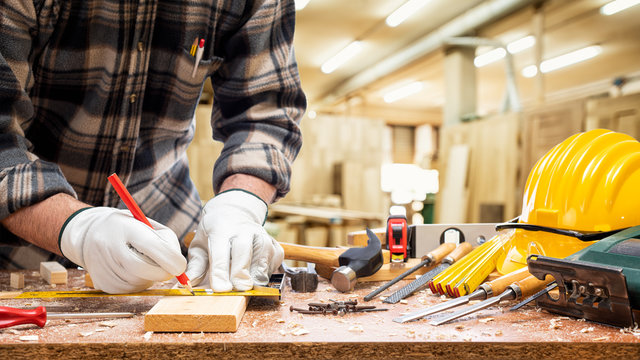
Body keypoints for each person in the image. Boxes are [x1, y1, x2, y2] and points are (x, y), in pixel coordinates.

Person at [0, 0, 305, 294]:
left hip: (163, 215)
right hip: (18, 234)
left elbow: (265, 112)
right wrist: (78, 229)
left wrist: (241, 203)